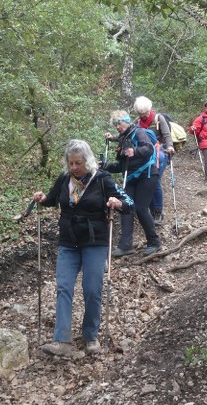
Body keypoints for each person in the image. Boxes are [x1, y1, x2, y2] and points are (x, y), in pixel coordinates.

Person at [32, 139, 134, 359]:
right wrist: (42, 198)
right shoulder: (64, 179)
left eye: (78, 163)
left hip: (95, 242)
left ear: (87, 161)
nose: (74, 168)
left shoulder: (102, 180)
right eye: (70, 163)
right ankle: (62, 340)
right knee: (64, 288)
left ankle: (90, 336)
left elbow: (129, 203)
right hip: (68, 242)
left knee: (92, 289)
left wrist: (117, 203)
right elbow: (52, 200)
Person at [104, 110, 161, 257]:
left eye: (119, 123)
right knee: (125, 208)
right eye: (115, 124)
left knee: (141, 208)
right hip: (130, 178)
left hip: (147, 174)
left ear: (127, 121)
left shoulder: (138, 132)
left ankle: (154, 242)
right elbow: (122, 166)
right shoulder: (123, 139)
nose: (117, 126)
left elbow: (148, 149)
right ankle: (125, 245)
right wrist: (105, 166)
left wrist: (134, 151)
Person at [133, 96, 174, 226]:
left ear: (149, 109)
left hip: (160, 152)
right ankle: (150, 211)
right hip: (145, 155)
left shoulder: (158, 118)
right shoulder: (136, 122)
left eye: (144, 113)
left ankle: (157, 212)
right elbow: (128, 133)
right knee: (147, 181)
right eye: (140, 114)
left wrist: (170, 146)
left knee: (153, 180)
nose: (143, 116)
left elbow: (167, 135)